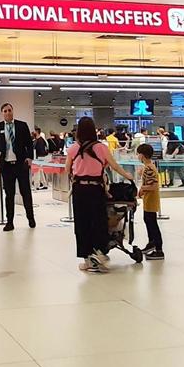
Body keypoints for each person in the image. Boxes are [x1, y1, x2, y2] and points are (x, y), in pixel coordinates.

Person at [65, 115, 132, 273]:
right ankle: (99, 252)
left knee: (82, 224)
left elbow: (67, 169)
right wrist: (128, 176)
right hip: (96, 189)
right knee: (98, 221)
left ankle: (88, 258)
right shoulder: (101, 148)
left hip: (80, 189)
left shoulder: (74, 148)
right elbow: (114, 166)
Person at [0, 102, 35, 231]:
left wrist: (30, 157)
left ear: (13, 111)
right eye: (5, 111)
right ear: (2, 113)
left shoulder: (22, 125)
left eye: (9, 110)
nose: (8, 113)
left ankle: (31, 218)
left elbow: (29, 144)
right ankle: (10, 222)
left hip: (21, 164)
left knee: (25, 192)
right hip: (6, 166)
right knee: (9, 195)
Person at [136, 142, 164, 260]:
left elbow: (154, 186)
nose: (137, 156)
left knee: (152, 223)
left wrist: (142, 189)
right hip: (149, 200)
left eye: (138, 154)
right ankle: (151, 243)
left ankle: (159, 249)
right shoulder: (148, 168)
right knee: (148, 220)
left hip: (151, 200)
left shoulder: (149, 168)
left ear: (142, 155)